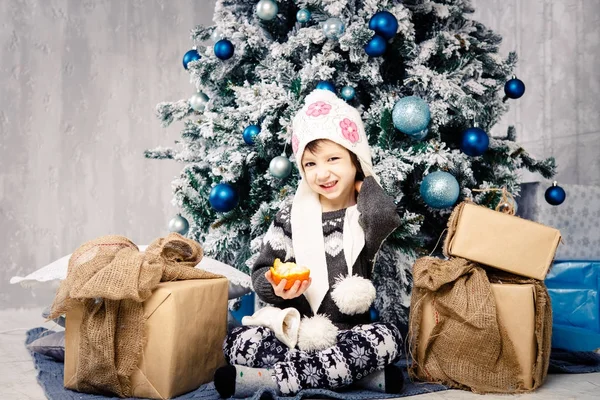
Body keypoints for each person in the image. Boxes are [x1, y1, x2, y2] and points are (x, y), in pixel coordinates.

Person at [214, 89, 404, 398]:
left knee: (387, 338)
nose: (322, 172)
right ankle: (357, 376)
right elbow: (262, 269)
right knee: (238, 342)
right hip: (296, 332)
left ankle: (272, 380)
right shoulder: (291, 216)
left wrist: (364, 181)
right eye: (310, 164)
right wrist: (275, 287)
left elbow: (385, 217)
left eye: (334, 159)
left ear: (355, 160)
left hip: (349, 334)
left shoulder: (365, 214)